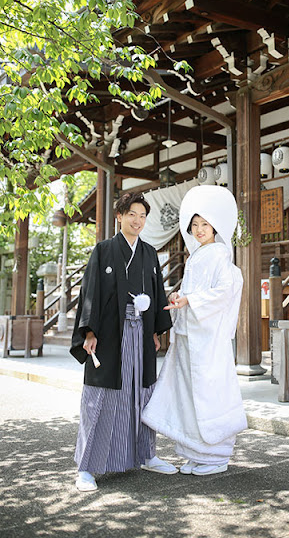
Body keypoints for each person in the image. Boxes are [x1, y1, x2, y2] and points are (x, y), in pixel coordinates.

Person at [70, 192, 176, 492]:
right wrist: (89, 332)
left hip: (140, 333)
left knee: (142, 394)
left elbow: (156, 293)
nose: (137, 221)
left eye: (142, 216)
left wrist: (155, 330)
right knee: (102, 398)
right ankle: (88, 468)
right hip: (110, 333)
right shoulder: (104, 250)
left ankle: (146, 454)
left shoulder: (149, 253)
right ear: (120, 216)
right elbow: (90, 292)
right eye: (132, 214)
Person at [141, 185, 248, 476]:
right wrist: (180, 297)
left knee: (209, 392)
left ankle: (216, 456)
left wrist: (191, 299)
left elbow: (224, 291)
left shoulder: (219, 255)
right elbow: (192, 291)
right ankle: (195, 453)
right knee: (188, 393)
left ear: (215, 226)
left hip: (208, 337)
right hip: (190, 334)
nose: (199, 230)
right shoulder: (197, 255)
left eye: (205, 224)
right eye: (195, 225)